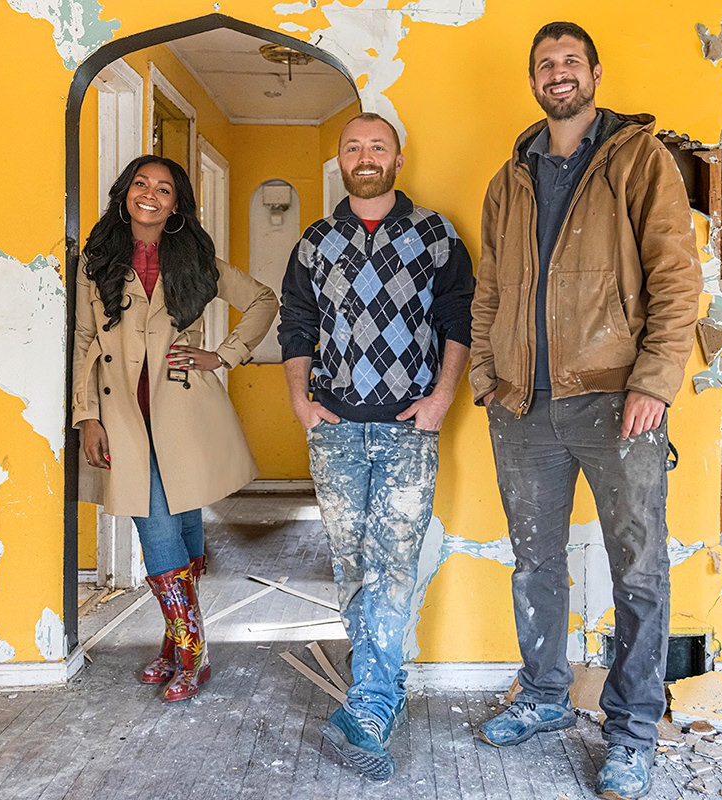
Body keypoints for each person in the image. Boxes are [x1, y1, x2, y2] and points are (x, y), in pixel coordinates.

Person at [469, 22, 702, 800]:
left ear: (594, 73)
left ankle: (632, 731)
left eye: (570, 61)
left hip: (617, 400)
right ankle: (542, 697)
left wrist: (655, 381)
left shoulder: (639, 159)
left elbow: (676, 276)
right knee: (535, 564)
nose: (558, 73)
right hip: (523, 405)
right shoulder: (511, 177)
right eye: (545, 64)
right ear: (533, 79)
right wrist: (485, 378)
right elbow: (491, 290)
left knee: (637, 571)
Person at [278, 113, 475, 781]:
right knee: (350, 566)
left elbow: (458, 321)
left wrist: (443, 398)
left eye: (377, 146)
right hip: (334, 429)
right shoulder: (315, 240)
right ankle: (373, 700)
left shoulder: (435, 235)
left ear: (398, 154)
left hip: (406, 429)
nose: (365, 157)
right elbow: (297, 324)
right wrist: (301, 402)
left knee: (391, 565)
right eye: (353, 147)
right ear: (340, 159)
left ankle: (368, 706)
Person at [72, 155, 278, 702]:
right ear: (125, 193)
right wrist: (86, 415)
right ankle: (187, 646)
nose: (150, 194)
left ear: (177, 205)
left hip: (183, 413)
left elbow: (263, 300)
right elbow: (83, 341)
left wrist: (223, 355)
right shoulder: (95, 262)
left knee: (178, 521)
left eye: (164, 189)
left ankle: (186, 647)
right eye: (141, 184)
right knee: (158, 524)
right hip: (121, 417)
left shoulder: (195, 259)